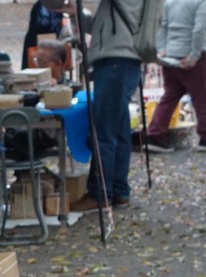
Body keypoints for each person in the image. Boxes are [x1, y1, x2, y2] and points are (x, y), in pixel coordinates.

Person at [71, 0, 161, 210]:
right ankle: (119, 190)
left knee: (104, 132)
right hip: (124, 58)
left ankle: (100, 193)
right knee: (118, 130)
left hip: (116, 58)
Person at [146, 0, 206, 151]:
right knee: (202, 98)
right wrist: (194, 55)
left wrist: (161, 50)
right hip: (193, 57)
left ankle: (155, 134)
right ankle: (205, 137)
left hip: (170, 56)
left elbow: (162, 27)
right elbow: (199, 29)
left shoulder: (169, 2)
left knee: (170, 96)